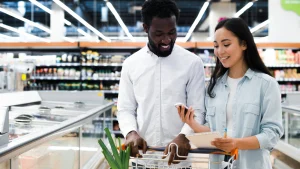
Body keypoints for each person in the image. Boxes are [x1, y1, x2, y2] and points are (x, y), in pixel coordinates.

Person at [177, 18, 283, 169]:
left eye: (226, 44)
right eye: (216, 46)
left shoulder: (266, 84)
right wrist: (192, 124)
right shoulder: (214, 87)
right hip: (218, 165)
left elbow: (272, 134)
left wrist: (236, 144)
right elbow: (214, 131)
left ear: (244, 44)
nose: (220, 51)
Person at [117, 0, 206, 166]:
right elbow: (125, 109)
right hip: (143, 158)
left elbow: (198, 110)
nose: (167, 40)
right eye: (159, 34)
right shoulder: (131, 64)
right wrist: (130, 132)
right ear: (145, 28)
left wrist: (184, 135)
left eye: (172, 32)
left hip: (179, 161)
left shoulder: (192, 63)